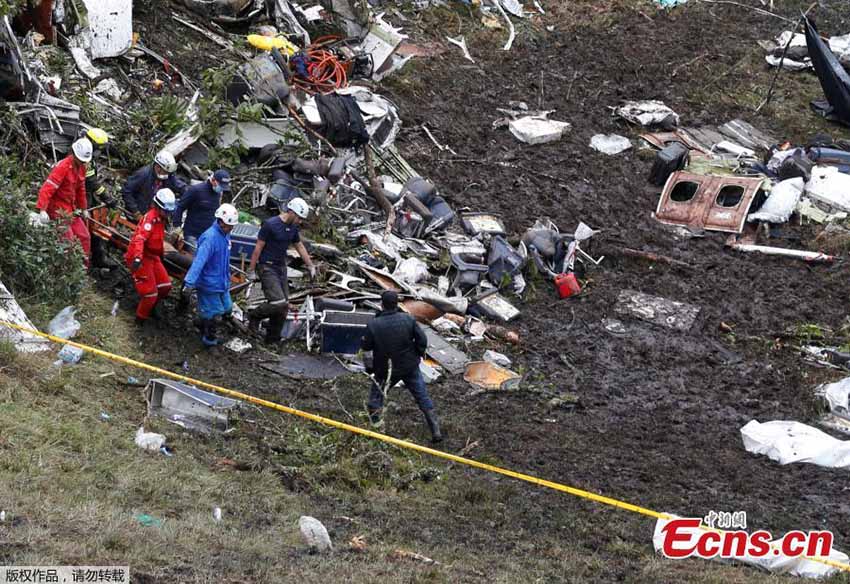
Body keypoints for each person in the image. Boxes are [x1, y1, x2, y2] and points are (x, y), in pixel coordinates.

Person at [362, 291, 442, 443]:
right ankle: (435, 431)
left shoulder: (373, 324)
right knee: (422, 396)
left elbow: (366, 348)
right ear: (397, 304)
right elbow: (422, 340)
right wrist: (417, 354)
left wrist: (370, 369)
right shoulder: (408, 319)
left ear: (382, 305)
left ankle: (377, 429)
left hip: (385, 370)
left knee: (375, 399)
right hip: (409, 366)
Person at [247, 197, 316, 344]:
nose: (300, 221)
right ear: (291, 212)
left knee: (283, 308)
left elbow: (299, 246)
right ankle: (254, 315)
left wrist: (310, 265)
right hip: (266, 266)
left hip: (280, 267)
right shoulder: (271, 225)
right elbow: (258, 248)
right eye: (298, 218)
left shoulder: (293, 228)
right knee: (278, 302)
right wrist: (251, 270)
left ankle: (272, 340)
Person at [183, 204, 238, 347]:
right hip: (209, 283)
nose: (230, 229)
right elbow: (199, 262)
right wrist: (189, 283)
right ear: (220, 221)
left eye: (231, 227)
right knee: (215, 314)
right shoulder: (210, 238)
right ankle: (209, 341)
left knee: (227, 308)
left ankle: (200, 322)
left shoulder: (225, 235)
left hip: (221, 282)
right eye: (228, 226)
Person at [36, 137, 93, 266]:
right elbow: (48, 187)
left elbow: (81, 190)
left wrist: (83, 208)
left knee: (84, 237)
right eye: (81, 160)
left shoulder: (82, 168)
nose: (83, 162)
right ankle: (67, 269)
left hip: (70, 208)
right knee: (68, 239)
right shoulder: (63, 167)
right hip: (57, 208)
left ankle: (82, 269)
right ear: (74, 154)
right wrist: (43, 209)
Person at [125, 188, 175, 325]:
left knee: (165, 286)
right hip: (141, 257)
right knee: (150, 294)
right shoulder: (150, 219)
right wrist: (137, 258)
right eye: (166, 211)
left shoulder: (162, 219)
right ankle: (139, 320)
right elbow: (139, 239)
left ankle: (153, 307)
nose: (168, 214)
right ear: (158, 207)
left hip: (153, 257)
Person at [83, 127, 118, 270]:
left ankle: (98, 257)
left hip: (86, 194)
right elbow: (90, 180)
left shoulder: (89, 156)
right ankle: (87, 260)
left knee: (97, 225)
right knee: (86, 228)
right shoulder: (84, 156)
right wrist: (106, 196)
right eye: (98, 148)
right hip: (78, 196)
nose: (99, 152)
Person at [173, 169, 232, 250]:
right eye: (221, 186)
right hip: (192, 235)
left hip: (208, 236)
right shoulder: (196, 190)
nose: (221, 189)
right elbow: (180, 207)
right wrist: (177, 227)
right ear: (213, 180)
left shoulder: (218, 194)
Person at [122, 150, 187, 221]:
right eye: (165, 172)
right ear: (158, 167)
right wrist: (136, 212)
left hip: (154, 215)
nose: (166, 174)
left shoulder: (168, 176)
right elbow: (127, 191)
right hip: (140, 212)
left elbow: (179, 185)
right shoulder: (144, 174)